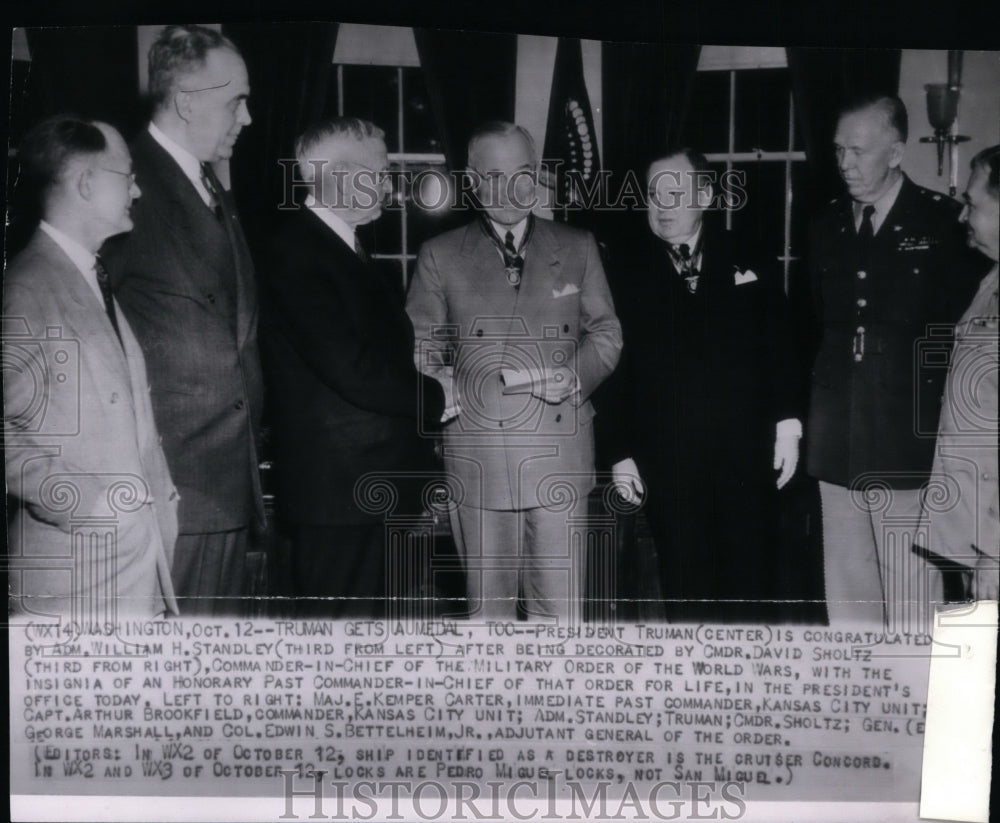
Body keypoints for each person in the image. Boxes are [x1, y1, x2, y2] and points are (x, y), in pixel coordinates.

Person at [406, 121, 622, 622]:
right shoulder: (440, 255)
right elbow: (421, 347)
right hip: (479, 453)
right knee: (489, 617)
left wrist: (576, 375)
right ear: (473, 182)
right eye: (496, 175)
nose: (513, 189)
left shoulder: (577, 244)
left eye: (524, 172)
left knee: (561, 615)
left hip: (560, 451)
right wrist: (443, 380)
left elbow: (607, 334)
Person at [806, 95, 984, 629]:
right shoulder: (825, 223)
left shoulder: (946, 224)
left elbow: (968, 337)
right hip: (836, 436)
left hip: (910, 440)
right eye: (839, 151)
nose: (845, 165)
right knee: (847, 590)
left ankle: (913, 707)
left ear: (897, 152)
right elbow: (813, 327)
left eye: (858, 152)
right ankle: (859, 703)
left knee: (910, 595)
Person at [102, 25, 262, 616]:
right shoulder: (128, 184)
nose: (245, 117)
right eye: (235, 100)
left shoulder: (208, 186)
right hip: (173, 487)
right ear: (187, 100)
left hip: (226, 484)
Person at [603, 149, 801, 622]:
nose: (663, 205)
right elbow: (610, 368)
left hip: (748, 461)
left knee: (751, 589)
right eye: (654, 194)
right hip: (667, 464)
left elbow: (784, 346)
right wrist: (618, 451)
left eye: (675, 191)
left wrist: (789, 425)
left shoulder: (749, 253)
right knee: (686, 590)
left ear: (706, 195)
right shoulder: (621, 270)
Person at [261, 118, 446, 618]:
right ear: (342, 176)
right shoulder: (296, 252)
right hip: (341, 499)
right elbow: (353, 369)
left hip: (365, 492)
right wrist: (440, 396)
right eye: (382, 171)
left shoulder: (348, 249)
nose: (389, 183)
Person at [4, 117, 179, 621]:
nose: (138, 190)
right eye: (127, 175)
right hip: (75, 585)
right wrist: (89, 504)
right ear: (86, 183)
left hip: (127, 573)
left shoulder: (87, 276)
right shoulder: (27, 287)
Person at [915, 145, 999, 603]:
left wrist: (994, 552)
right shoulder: (989, 282)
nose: (963, 215)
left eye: (973, 203)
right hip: (973, 532)